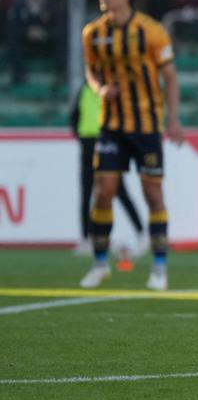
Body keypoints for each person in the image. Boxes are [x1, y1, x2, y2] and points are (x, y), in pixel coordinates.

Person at [78, 0, 184, 291]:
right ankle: (99, 264)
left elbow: (169, 77)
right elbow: (91, 72)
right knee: (104, 192)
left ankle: (160, 269)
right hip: (110, 125)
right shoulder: (93, 33)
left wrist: (174, 119)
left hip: (146, 125)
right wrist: (99, 90)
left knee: (153, 194)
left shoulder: (151, 32)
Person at [70, 83, 145, 264]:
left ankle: (142, 233)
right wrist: (80, 136)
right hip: (88, 145)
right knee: (87, 191)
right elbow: (74, 116)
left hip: (107, 143)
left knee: (119, 191)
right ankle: (86, 239)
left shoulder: (112, 88)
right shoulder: (84, 89)